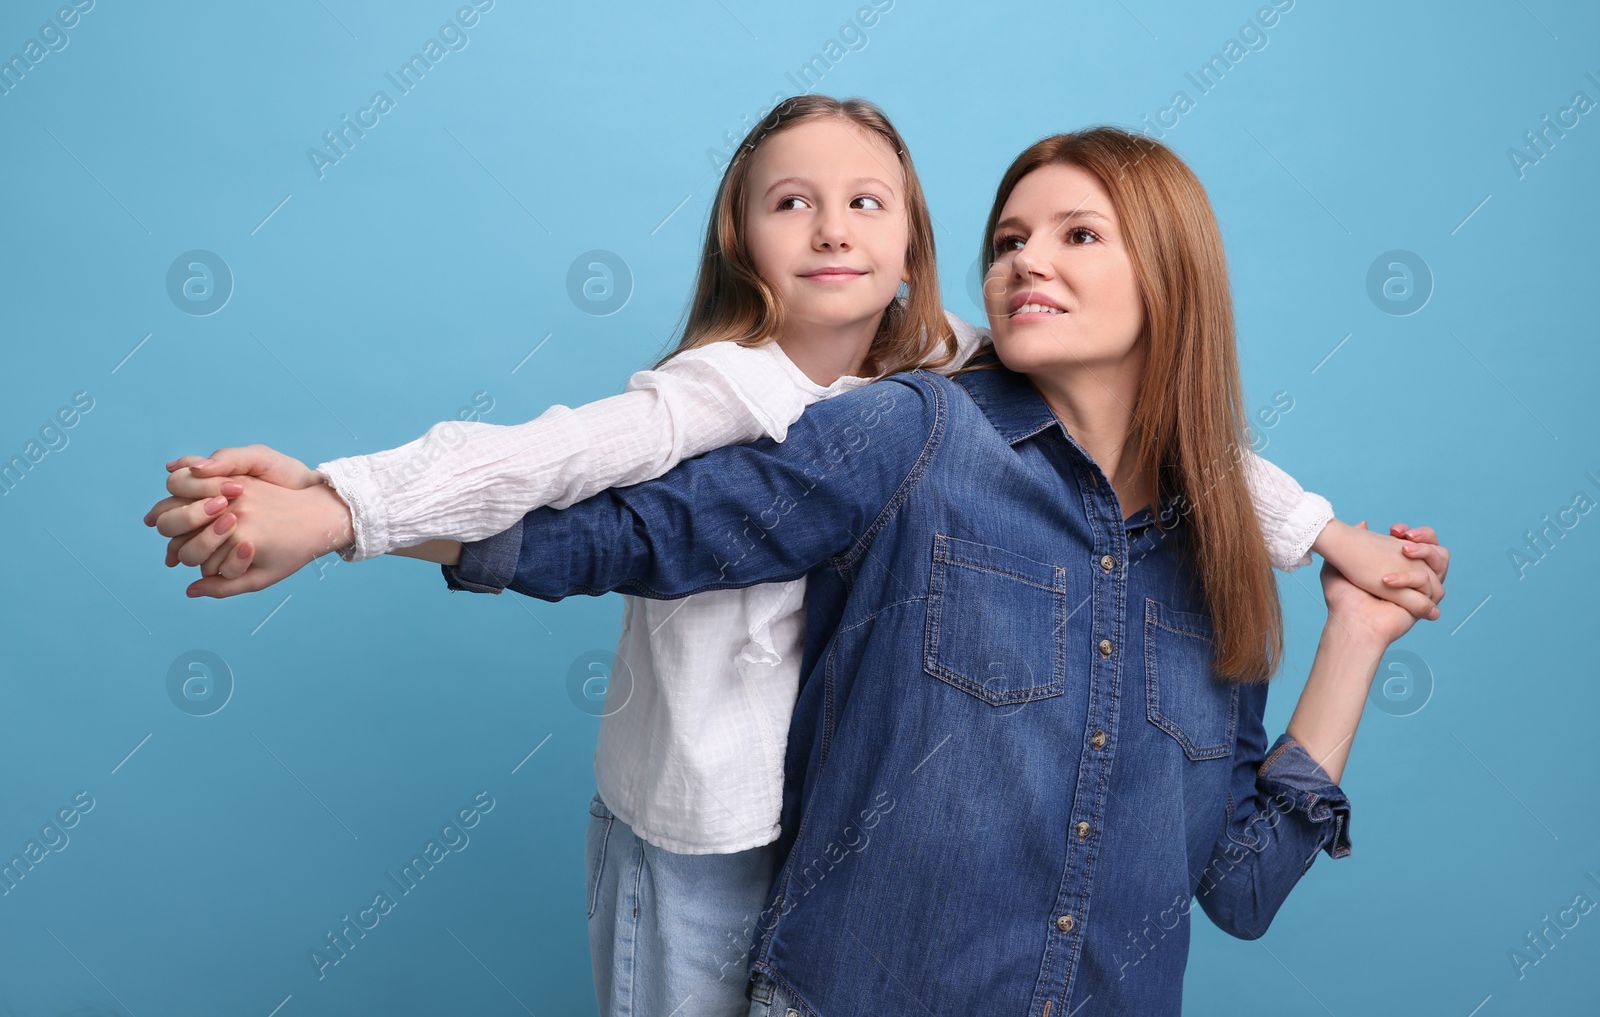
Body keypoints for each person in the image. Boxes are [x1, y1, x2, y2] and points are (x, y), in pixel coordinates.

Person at [144, 114, 1445, 1015]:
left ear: (1174, 276)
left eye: (1076, 234)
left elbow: (1244, 891)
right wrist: (338, 513)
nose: (1025, 258)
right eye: (1007, 238)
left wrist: (1353, 633)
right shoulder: (909, 430)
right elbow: (639, 525)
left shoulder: (1216, 564)